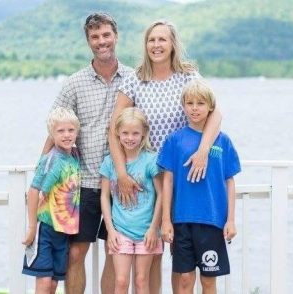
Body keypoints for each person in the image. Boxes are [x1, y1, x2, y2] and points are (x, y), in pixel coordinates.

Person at [108, 20, 222, 292]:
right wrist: (122, 173)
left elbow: (215, 112)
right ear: (145, 45)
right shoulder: (135, 79)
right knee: (152, 251)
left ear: (173, 45)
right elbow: (113, 129)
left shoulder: (188, 75)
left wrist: (203, 150)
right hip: (148, 178)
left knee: (178, 253)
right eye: (152, 40)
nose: (156, 45)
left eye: (162, 40)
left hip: (183, 175)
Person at [42, 12, 133, 294]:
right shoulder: (74, 83)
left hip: (123, 184)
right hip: (83, 184)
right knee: (76, 254)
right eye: (95, 37)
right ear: (88, 41)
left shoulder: (133, 78)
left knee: (114, 253)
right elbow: (55, 130)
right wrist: (41, 175)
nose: (101, 41)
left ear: (115, 37)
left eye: (106, 35)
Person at [158, 78, 241, 294]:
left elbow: (229, 181)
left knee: (208, 281)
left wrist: (231, 220)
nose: (195, 108)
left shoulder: (223, 142)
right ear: (183, 105)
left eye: (201, 103)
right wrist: (166, 220)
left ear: (210, 107)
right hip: (182, 221)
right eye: (190, 103)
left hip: (212, 221)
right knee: (185, 280)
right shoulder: (174, 140)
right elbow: (168, 180)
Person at [100, 107, 163, 294]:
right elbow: (104, 196)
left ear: (143, 134)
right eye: (125, 133)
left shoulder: (151, 160)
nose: (130, 137)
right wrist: (110, 230)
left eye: (135, 133)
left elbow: (161, 195)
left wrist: (154, 228)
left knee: (142, 280)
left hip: (147, 232)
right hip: (120, 231)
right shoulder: (110, 162)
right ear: (117, 133)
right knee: (120, 281)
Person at [22, 107, 81, 294]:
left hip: (63, 231)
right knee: (44, 282)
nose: (66, 135)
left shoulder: (74, 157)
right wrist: (32, 228)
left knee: (55, 284)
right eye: (60, 131)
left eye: (71, 130)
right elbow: (33, 190)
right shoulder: (51, 159)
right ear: (51, 135)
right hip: (46, 228)